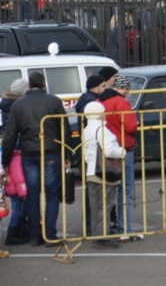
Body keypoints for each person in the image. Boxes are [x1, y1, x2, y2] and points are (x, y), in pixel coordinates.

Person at [1, 71, 66, 246]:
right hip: (51, 151)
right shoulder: (54, 101)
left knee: (32, 194)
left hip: (28, 153)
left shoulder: (18, 105)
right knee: (52, 194)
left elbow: (10, 135)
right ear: (44, 84)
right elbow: (64, 129)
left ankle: (35, 235)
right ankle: (50, 235)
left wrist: (5, 161)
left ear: (29, 85)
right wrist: (67, 155)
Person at [100, 75, 141, 242]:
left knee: (108, 191)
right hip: (123, 147)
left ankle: (102, 229)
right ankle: (125, 229)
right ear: (124, 88)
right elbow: (131, 126)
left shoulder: (101, 102)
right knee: (126, 190)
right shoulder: (121, 102)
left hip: (105, 149)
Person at [82, 101, 126, 249]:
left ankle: (96, 235)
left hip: (91, 171)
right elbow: (108, 151)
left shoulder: (87, 128)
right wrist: (122, 151)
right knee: (106, 205)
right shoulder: (102, 130)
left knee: (95, 205)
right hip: (104, 172)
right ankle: (103, 236)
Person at [0, 78, 29, 246]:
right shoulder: (18, 106)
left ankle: (20, 229)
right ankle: (14, 232)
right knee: (19, 197)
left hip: (8, 150)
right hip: (17, 149)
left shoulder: (5, 103)